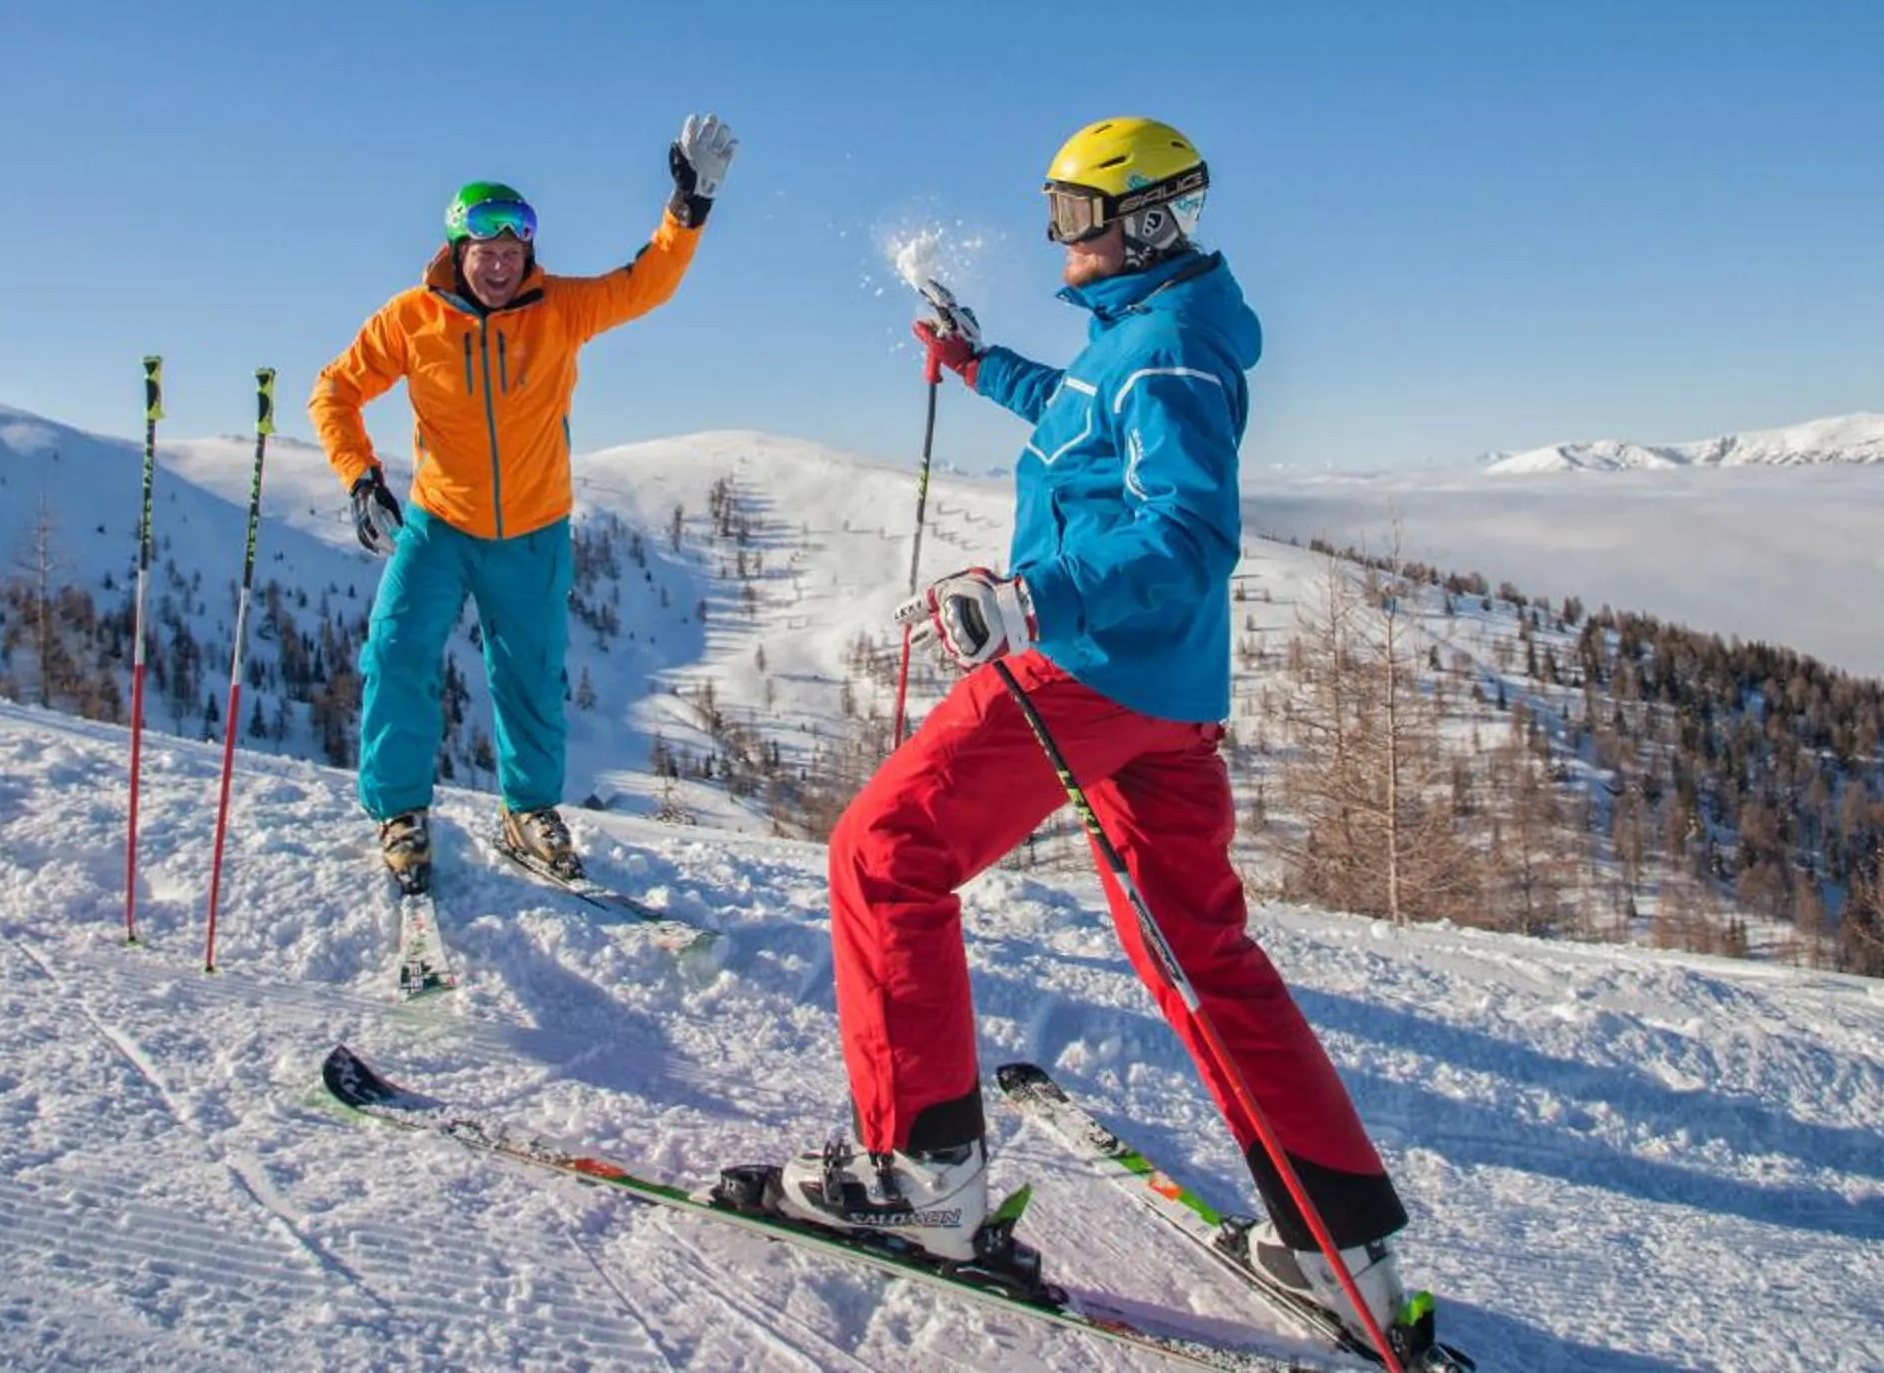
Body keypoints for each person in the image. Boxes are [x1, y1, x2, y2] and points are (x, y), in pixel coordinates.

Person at [770, 117, 1443, 1363]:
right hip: (1161, 695)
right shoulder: (1143, 336)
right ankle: (1338, 1242)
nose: (1054, 235)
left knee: (883, 856)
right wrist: (980, 366)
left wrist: (1038, 602)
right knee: (1198, 949)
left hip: (1081, 667)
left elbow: (1187, 532)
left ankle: (922, 1174)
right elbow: (1082, 410)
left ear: (1136, 219)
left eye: (1070, 212)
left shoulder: (1174, 350)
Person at [309, 112, 737, 896]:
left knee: (530, 678)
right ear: (456, 252)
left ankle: (529, 812)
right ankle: (400, 814)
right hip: (437, 524)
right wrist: (361, 477)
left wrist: (687, 211)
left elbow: (645, 284)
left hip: (534, 530)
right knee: (397, 656)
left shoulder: (560, 310)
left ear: (527, 254)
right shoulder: (412, 318)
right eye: (485, 251)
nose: (500, 264)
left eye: (512, 251)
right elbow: (334, 390)